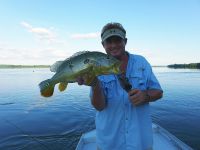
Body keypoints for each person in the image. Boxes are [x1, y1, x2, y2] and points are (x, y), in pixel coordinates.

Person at [77, 22, 163, 150]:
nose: (113, 45)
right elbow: (99, 106)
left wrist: (145, 96)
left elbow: (158, 92)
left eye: (118, 40)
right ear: (103, 44)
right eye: (109, 41)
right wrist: (95, 85)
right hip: (109, 143)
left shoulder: (141, 62)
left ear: (125, 41)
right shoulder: (95, 68)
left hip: (140, 142)